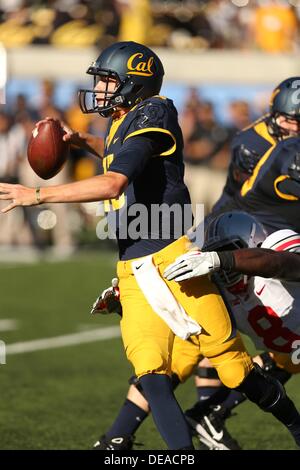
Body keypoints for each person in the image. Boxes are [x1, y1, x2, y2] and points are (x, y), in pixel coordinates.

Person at [1, 42, 300, 451]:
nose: (100, 90)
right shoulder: (125, 118)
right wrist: (82, 139)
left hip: (175, 259)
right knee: (152, 374)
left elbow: (114, 182)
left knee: (235, 369)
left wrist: (34, 195)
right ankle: (157, 450)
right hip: (134, 266)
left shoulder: (155, 111)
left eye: (108, 81)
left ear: (134, 84)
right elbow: (121, 158)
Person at [92, 212, 300, 450]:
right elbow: (169, 306)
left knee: (281, 360)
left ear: (253, 243)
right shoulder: (218, 285)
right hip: (287, 348)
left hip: (289, 349)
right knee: (170, 358)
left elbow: (280, 263)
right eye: (216, 252)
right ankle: (117, 438)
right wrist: (129, 302)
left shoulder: (274, 248)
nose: (223, 272)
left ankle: (211, 413)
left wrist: (220, 259)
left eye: (229, 249)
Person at [212, 76, 300, 217]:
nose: (295, 128)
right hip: (246, 216)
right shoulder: (252, 145)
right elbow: (252, 199)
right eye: (289, 120)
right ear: (274, 115)